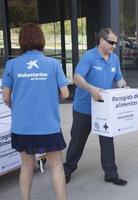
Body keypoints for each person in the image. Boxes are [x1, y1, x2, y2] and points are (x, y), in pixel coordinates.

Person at [2, 23, 69, 200]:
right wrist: (50, 102)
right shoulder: (53, 64)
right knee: (56, 166)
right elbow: (65, 93)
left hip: (22, 126)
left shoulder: (12, 65)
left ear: (22, 41)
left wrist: (16, 109)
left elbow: (6, 98)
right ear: (41, 39)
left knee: (26, 166)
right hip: (48, 124)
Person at [64, 28, 128, 186]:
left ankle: (111, 174)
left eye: (115, 42)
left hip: (104, 109)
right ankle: (67, 169)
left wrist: (125, 90)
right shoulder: (89, 57)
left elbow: (119, 79)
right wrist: (90, 88)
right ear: (101, 41)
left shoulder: (114, 59)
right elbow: (77, 78)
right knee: (78, 141)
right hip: (84, 108)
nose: (114, 45)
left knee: (107, 141)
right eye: (111, 42)